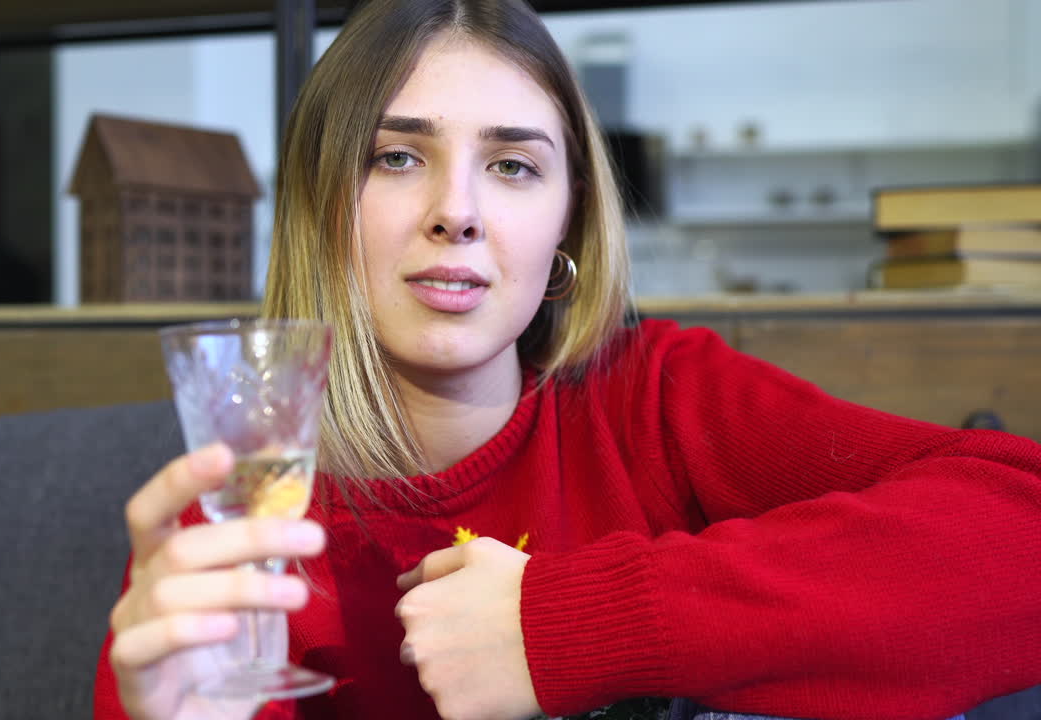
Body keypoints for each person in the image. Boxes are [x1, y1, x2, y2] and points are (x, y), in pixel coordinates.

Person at [94, 1, 1041, 718]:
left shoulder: (654, 398)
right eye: (395, 156)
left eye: (513, 165)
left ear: (567, 223)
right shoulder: (243, 504)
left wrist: (565, 627)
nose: (456, 210)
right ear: (317, 206)